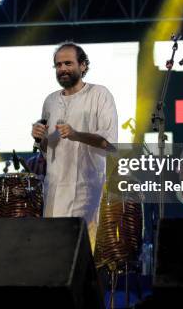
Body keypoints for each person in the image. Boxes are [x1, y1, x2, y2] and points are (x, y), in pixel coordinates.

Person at [31, 42, 118, 247]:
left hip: (86, 187)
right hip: (53, 188)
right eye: (58, 65)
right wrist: (40, 138)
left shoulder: (100, 94)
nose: (62, 69)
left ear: (83, 65)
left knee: (81, 249)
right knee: (54, 250)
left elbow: (110, 143)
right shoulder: (50, 101)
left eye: (68, 63)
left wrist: (77, 134)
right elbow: (47, 150)